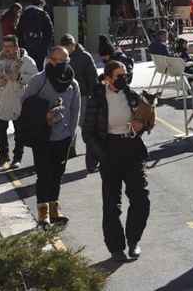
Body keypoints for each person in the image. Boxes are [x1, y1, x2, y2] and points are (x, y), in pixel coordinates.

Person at [84, 60, 153, 261]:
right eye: (119, 76)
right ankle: (116, 248)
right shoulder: (97, 99)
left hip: (132, 149)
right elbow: (88, 132)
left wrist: (142, 126)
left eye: (125, 75)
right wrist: (102, 154)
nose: (123, 79)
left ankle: (133, 241)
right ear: (107, 78)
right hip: (109, 151)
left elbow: (146, 119)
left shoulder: (131, 95)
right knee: (111, 204)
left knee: (141, 199)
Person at [23, 46, 81, 227]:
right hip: (42, 137)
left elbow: (75, 111)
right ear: (50, 60)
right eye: (58, 61)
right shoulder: (38, 80)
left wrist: (71, 136)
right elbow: (24, 105)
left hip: (63, 138)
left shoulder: (73, 83)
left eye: (65, 61)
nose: (61, 64)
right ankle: (43, 212)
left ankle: (54, 209)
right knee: (43, 175)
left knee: (57, 174)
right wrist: (44, 116)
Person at [0, 35, 38, 169]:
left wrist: (20, 77)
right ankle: (3, 156)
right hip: (3, 100)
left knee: (19, 132)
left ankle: (17, 158)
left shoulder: (26, 61)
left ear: (16, 47)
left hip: (19, 100)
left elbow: (35, 79)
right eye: (5, 46)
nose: (6, 49)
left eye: (9, 46)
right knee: (0, 130)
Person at [17, 0, 54, 69]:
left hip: (26, 45)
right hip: (40, 46)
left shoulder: (24, 14)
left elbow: (19, 30)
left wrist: (21, 44)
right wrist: (46, 45)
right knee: (39, 66)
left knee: (27, 64)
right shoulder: (43, 14)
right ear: (41, 5)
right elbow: (49, 31)